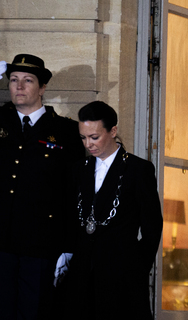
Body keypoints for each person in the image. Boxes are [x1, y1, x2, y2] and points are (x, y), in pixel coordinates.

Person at [0, 54, 86, 320]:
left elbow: (74, 192)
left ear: (43, 88)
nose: (19, 86)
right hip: (0, 240)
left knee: (33, 312)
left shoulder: (66, 132)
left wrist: (70, 245)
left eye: (28, 80)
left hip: (41, 244)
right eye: (13, 80)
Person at [63, 101, 162, 320]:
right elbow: (72, 217)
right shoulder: (79, 169)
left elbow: (152, 226)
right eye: (83, 137)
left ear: (113, 131)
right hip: (82, 274)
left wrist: (137, 269)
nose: (88, 144)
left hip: (122, 276)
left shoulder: (138, 169)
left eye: (94, 137)